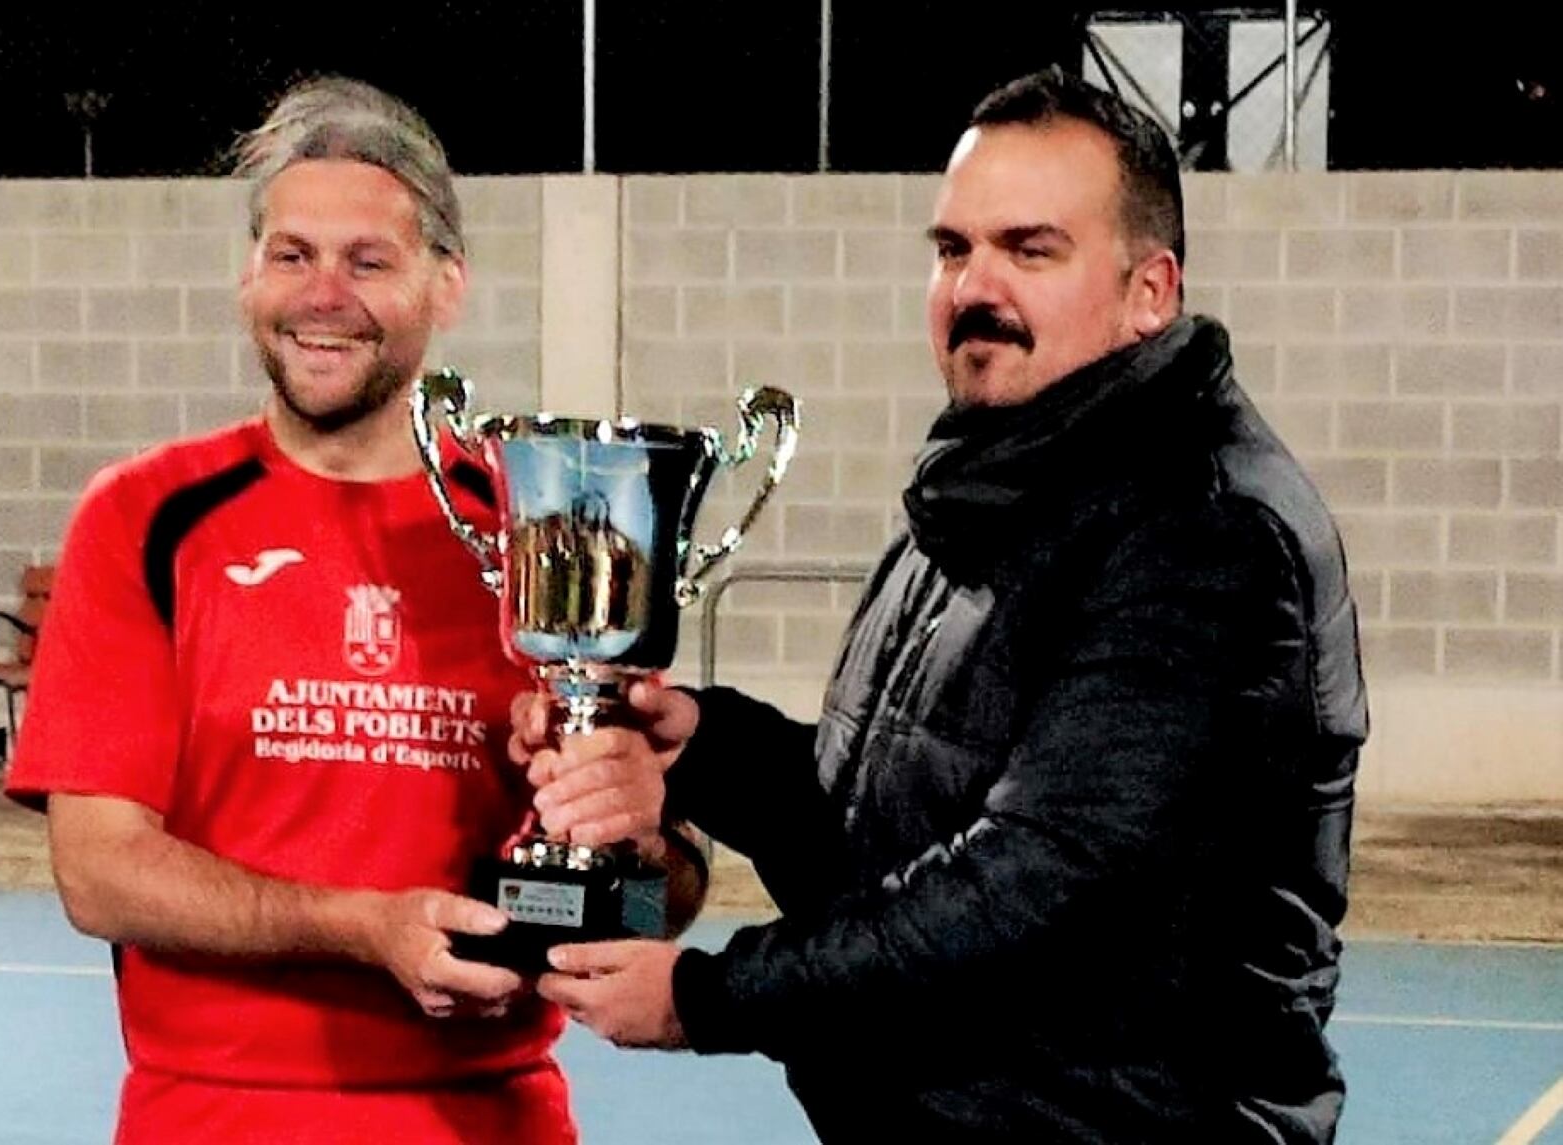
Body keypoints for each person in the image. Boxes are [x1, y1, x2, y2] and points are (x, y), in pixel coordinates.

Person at [521, 65, 1368, 1144]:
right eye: (953, 247)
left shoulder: (1203, 534)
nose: (976, 284)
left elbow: (1036, 886)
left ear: (1150, 291)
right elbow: (881, 834)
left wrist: (706, 996)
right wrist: (700, 745)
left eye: (1032, 248)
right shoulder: (989, 489)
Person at [4, 75, 702, 1144]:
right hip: (210, 1114)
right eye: (292, 254)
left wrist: (639, 851)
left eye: (367, 260)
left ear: (446, 284)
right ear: (250, 278)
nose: (322, 293)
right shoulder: (144, 518)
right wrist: (363, 926)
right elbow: (96, 870)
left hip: (488, 1117)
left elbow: (666, 897)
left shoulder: (544, 525)